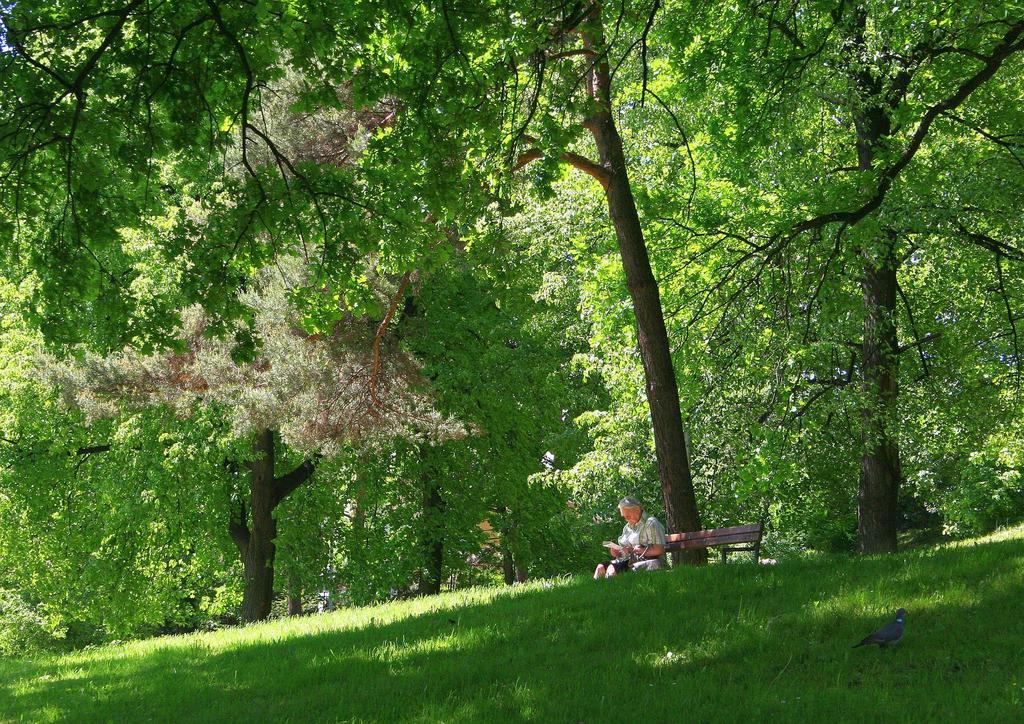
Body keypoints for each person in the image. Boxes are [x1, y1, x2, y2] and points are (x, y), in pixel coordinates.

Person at [594, 496, 668, 579]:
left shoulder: (651, 523)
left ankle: (612, 591)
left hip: (645, 561)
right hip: (627, 560)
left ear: (637, 510)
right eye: (624, 517)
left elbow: (659, 550)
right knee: (600, 567)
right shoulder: (627, 527)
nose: (626, 519)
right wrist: (616, 552)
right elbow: (623, 552)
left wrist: (635, 551)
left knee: (612, 570)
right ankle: (594, 591)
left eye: (628, 516)